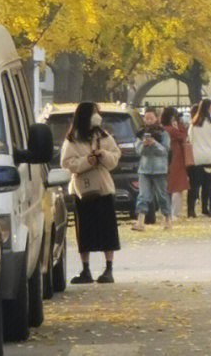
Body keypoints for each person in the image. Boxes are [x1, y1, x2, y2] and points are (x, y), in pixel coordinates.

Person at [60, 101, 121, 284]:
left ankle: (108, 268)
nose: (97, 116)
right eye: (94, 112)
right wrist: (87, 161)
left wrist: (102, 155)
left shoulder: (104, 136)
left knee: (107, 230)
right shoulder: (73, 139)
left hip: (103, 188)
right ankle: (85, 269)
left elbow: (114, 158)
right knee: (84, 230)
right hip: (83, 190)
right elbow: (67, 163)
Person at [132, 108, 171, 230]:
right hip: (144, 169)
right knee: (142, 196)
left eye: (151, 118)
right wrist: (144, 144)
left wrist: (154, 143)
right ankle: (140, 222)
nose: (149, 120)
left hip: (159, 169)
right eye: (146, 118)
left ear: (156, 118)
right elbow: (138, 151)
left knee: (162, 196)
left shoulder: (163, 133)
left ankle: (167, 220)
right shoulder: (140, 133)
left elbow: (165, 151)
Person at [187, 98, 211, 217]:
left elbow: (190, 140)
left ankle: (191, 210)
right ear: (209, 107)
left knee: (195, 185)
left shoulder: (193, 125)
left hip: (197, 158)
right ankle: (208, 208)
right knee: (210, 184)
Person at [161, 107, 190, 219]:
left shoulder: (163, 129)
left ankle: (169, 211)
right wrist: (180, 123)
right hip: (176, 159)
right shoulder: (172, 130)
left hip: (170, 159)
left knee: (170, 186)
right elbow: (183, 136)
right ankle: (174, 213)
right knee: (177, 187)